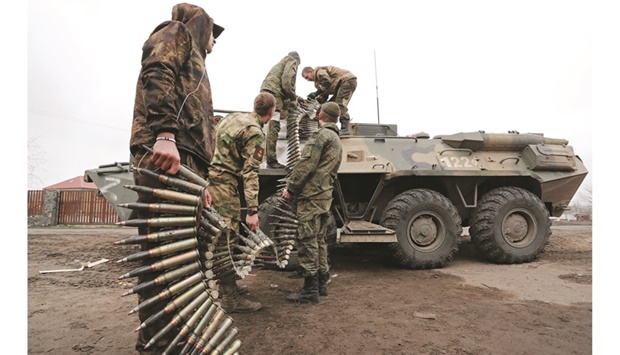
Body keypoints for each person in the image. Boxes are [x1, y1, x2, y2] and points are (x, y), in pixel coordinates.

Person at [128, 3, 224, 354]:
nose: (215, 41)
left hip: (188, 167)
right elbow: (156, 71)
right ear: (203, 26)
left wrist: (203, 184)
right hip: (166, 158)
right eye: (214, 33)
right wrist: (165, 134)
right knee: (162, 262)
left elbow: (197, 128)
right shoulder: (177, 32)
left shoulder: (198, 63)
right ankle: (157, 347)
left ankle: (176, 340)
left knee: (185, 262)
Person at [207, 92, 277, 312]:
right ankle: (230, 299)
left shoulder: (234, 118)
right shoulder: (255, 133)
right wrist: (253, 210)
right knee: (227, 239)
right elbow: (250, 172)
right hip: (224, 184)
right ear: (272, 111)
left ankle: (230, 287)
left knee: (222, 236)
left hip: (210, 180)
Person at [282, 102, 343, 303]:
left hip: (312, 196)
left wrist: (291, 189)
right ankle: (322, 281)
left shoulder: (321, 136)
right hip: (324, 195)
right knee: (319, 240)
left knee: (307, 239)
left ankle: (310, 290)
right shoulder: (336, 138)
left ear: (320, 115)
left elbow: (306, 165)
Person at [260, 51, 301, 169]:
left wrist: (296, 98)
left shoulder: (281, 63)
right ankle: (271, 160)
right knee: (274, 126)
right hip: (274, 95)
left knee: (265, 126)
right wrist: (293, 98)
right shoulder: (292, 61)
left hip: (268, 92)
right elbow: (287, 82)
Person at [302, 66, 357, 135]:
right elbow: (324, 96)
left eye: (307, 77)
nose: (307, 80)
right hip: (339, 86)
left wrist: (315, 93)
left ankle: (345, 129)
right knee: (329, 107)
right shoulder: (318, 83)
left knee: (339, 104)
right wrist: (311, 101)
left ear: (310, 72)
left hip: (347, 81)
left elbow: (327, 81)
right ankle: (329, 128)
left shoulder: (319, 72)